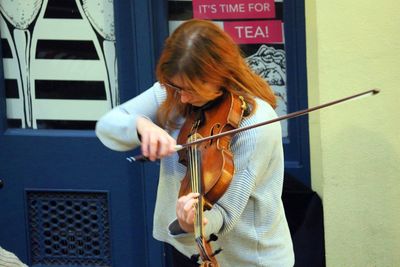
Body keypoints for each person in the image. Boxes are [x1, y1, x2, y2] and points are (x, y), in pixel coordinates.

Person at [96, 19, 294, 267]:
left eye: (193, 89)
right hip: (185, 246)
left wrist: (193, 222)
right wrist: (141, 125)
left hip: (248, 258)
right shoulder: (174, 92)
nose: (184, 97)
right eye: (177, 87)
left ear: (221, 74)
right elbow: (107, 125)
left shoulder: (256, 122)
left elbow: (225, 215)